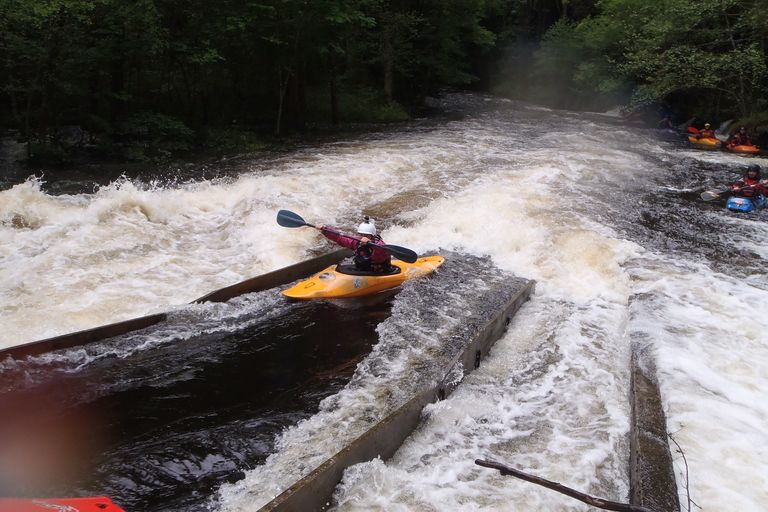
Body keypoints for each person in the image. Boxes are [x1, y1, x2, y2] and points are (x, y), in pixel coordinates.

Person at [314, 216, 392, 273]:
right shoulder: (357, 242)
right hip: (363, 271)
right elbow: (340, 237)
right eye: (361, 234)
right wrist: (324, 229)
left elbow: (382, 250)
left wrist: (371, 244)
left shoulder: (380, 245)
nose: (363, 237)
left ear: (372, 236)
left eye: (366, 235)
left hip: (380, 273)